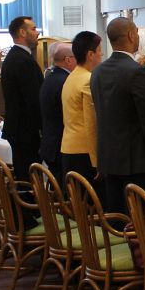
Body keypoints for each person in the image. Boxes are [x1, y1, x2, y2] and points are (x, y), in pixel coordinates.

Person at [91, 17, 145, 214]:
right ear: (131, 35)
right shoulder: (137, 71)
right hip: (135, 160)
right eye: (137, 32)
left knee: (116, 218)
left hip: (108, 158)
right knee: (138, 220)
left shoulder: (97, 72)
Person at [1, 16, 45, 178]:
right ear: (22, 32)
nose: (37, 32)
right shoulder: (22, 60)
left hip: (20, 129)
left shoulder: (16, 57)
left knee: (25, 175)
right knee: (29, 179)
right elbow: (33, 99)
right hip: (26, 131)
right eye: (33, 29)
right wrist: (43, 129)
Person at [61, 31, 102, 182]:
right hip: (84, 152)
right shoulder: (87, 79)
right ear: (90, 54)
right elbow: (91, 123)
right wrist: (96, 161)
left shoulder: (71, 76)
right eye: (99, 51)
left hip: (69, 147)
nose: (101, 55)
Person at [39, 41, 75, 181]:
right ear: (68, 60)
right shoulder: (65, 81)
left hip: (50, 143)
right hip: (60, 145)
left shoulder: (50, 77)